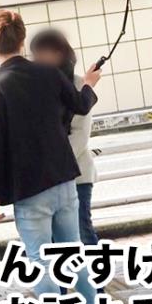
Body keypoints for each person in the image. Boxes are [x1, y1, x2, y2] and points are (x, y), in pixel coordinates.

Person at [0, 10, 102, 304]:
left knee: (41, 260)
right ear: (22, 39)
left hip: (29, 188)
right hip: (64, 179)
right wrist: (89, 84)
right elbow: (80, 105)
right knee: (72, 254)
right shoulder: (48, 73)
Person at [30, 29, 99, 247]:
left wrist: (52, 163)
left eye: (42, 53)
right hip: (49, 178)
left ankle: (96, 270)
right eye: (35, 54)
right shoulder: (38, 86)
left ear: (59, 53)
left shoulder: (78, 85)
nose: (36, 59)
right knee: (54, 240)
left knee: (82, 231)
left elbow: (80, 134)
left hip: (76, 175)